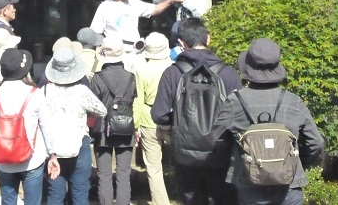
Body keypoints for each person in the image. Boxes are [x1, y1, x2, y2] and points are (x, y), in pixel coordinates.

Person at [214, 38, 324, 205]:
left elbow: (216, 140)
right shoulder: (293, 101)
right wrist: (294, 162)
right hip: (289, 185)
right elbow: (316, 142)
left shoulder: (234, 102)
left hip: (248, 183)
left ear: (248, 68)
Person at [151, 18, 242, 205]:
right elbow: (239, 113)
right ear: (208, 39)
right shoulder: (227, 72)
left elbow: (158, 114)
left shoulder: (173, 72)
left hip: (185, 155)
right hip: (221, 151)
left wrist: (180, 122)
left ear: (182, 43)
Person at [0, 49, 60, 205]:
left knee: (8, 201)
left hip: (4, 160)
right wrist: (53, 154)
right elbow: (47, 127)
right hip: (32, 159)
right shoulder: (35, 94)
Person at [44, 48, 107, 205]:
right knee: (80, 191)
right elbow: (102, 110)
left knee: (55, 193)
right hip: (79, 143)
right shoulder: (82, 91)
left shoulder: (44, 91)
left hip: (53, 147)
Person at [89, 37, 137, 205]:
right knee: (124, 173)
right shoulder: (131, 77)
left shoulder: (97, 78)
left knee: (104, 174)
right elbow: (132, 101)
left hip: (103, 128)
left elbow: (92, 105)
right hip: (126, 128)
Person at [90, 0, 185, 52]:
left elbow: (155, 10)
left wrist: (172, 0)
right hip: (115, 52)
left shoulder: (133, 2)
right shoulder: (104, 7)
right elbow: (95, 32)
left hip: (136, 50)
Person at [132, 32, 173, 205]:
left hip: (149, 118)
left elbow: (138, 100)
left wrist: (135, 125)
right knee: (181, 162)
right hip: (172, 118)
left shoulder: (141, 70)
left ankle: (161, 202)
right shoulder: (175, 67)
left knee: (153, 167)